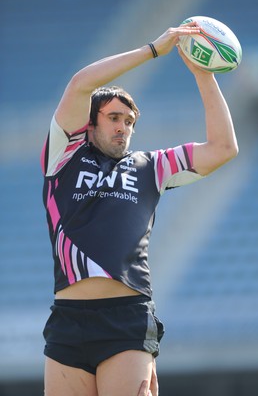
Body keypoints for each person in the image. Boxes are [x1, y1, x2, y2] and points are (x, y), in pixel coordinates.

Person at [41, 21, 238, 396]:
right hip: (67, 320)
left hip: (126, 316)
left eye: (129, 122)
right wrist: (152, 50)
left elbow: (223, 148)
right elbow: (80, 83)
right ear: (90, 122)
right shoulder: (62, 157)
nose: (123, 128)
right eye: (114, 118)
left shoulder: (153, 166)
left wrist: (203, 74)